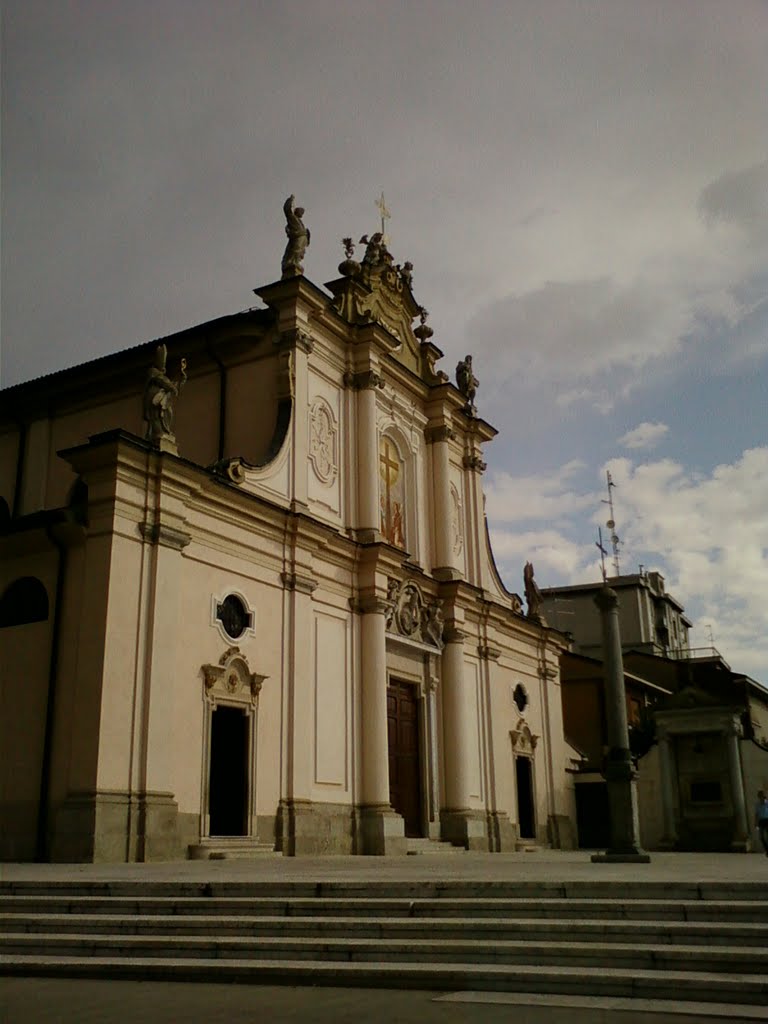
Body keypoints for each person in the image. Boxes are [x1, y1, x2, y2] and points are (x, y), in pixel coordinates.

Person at [755, 789, 768, 856]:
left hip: (767, 820)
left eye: (762, 797)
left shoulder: (767, 803)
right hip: (761, 821)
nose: (761, 799)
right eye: (759, 797)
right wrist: (756, 823)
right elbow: (756, 814)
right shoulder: (757, 804)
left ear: (764, 797)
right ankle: (767, 849)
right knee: (761, 837)